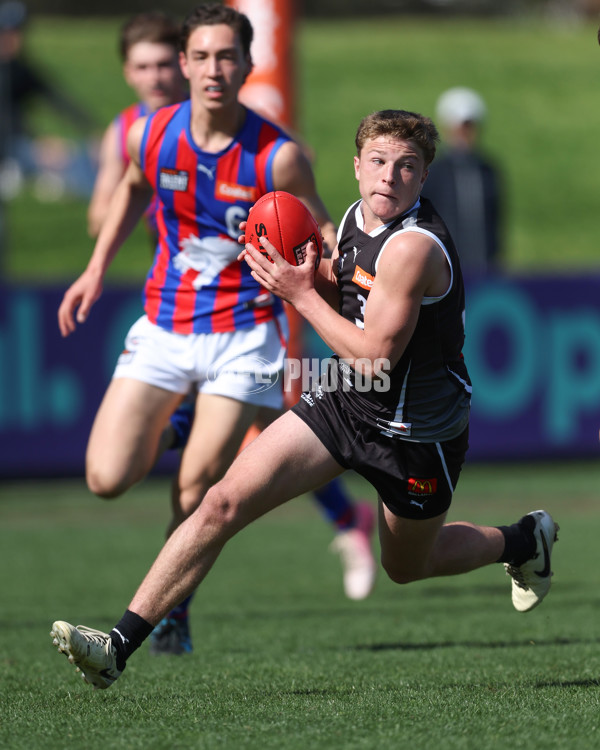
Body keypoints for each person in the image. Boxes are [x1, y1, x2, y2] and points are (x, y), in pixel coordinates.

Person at [50, 108, 559, 690]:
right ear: (356, 166)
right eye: (377, 162)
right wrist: (297, 271)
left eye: (406, 166)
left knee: (408, 566)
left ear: (424, 177)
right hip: (347, 401)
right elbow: (344, 307)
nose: (388, 177)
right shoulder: (351, 219)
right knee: (220, 503)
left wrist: (296, 294)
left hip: (418, 435)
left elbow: (374, 355)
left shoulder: (415, 248)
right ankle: (117, 645)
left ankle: (523, 540)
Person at [55, 3, 375, 658]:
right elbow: (134, 189)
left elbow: (317, 232)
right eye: (200, 57)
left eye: (227, 57)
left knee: (199, 485)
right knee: (106, 478)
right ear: (184, 63)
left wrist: (327, 274)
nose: (213, 70)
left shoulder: (277, 156)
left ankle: (170, 609)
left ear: (247, 65)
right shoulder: (151, 133)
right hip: (167, 325)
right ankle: (182, 420)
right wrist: (94, 270)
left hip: (245, 335)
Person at [86, 11, 189, 239]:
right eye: (143, 67)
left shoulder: (213, 117)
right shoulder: (124, 129)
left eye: (163, 65)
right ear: (128, 73)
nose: (155, 78)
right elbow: (97, 223)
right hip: (166, 254)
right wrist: (137, 189)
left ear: (183, 64)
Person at [0, 1, 97, 199]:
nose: (13, 39)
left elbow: (57, 100)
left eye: (17, 31)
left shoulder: (20, 69)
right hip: (9, 148)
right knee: (63, 158)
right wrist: (36, 146)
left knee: (86, 153)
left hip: (18, 143)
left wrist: (92, 131)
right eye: (6, 32)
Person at [420, 87, 503, 277]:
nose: (464, 133)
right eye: (459, 127)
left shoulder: (488, 170)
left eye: (469, 127)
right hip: (444, 272)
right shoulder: (434, 171)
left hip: (486, 268)